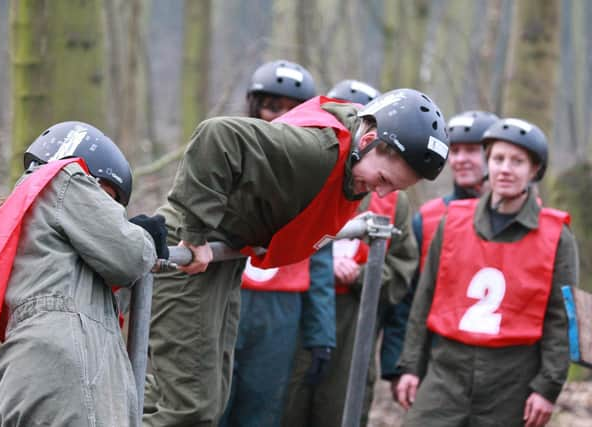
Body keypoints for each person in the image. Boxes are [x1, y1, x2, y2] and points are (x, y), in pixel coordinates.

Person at [143, 87, 450, 426]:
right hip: (191, 256)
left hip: (222, 260)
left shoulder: (353, 167)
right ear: (369, 140)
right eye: (383, 179)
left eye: (395, 189)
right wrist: (195, 232)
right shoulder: (316, 150)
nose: (381, 193)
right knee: (189, 407)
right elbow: (217, 136)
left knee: (207, 397)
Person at [0, 121, 168, 426]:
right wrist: (147, 237)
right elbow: (132, 256)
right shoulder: (63, 180)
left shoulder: (25, 230)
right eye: (107, 200)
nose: (111, 213)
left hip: (18, 376)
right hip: (68, 375)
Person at [396, 117, 579, 427]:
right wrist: (411, 365)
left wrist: (548, 387)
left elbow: (561, 319)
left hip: (511, 378)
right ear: (487, 164)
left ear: (535, 170)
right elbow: (425, 296)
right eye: (498, 159)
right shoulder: (452, 221)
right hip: (446, 371)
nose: (505, 169)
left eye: (517, 161)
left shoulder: (556, 236)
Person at [282, 79, 418, 427]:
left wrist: (363, 274)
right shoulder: (309, 173)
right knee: (283, 406)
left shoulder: (391, 198)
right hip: (293, 312)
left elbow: (402, 272)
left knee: (342, 410)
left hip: (354, 323)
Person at [220, 60, 336, 427]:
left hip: (281, 309)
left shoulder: (317, 175)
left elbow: (320, 258)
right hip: (227, 295)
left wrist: (321, 334)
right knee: (213, 402)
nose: (281, 120)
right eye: (273, 108)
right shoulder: (224, 158)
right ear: (255, 108)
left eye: (292, 111)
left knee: (263, 408)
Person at [384, 110, 499, 397]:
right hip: (434, 356)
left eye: (472, 150)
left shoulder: (526, 219)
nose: (460, 160)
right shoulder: (430, 217)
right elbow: (407, 298)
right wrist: (398, 365)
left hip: (497, 361)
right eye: (455, 151)